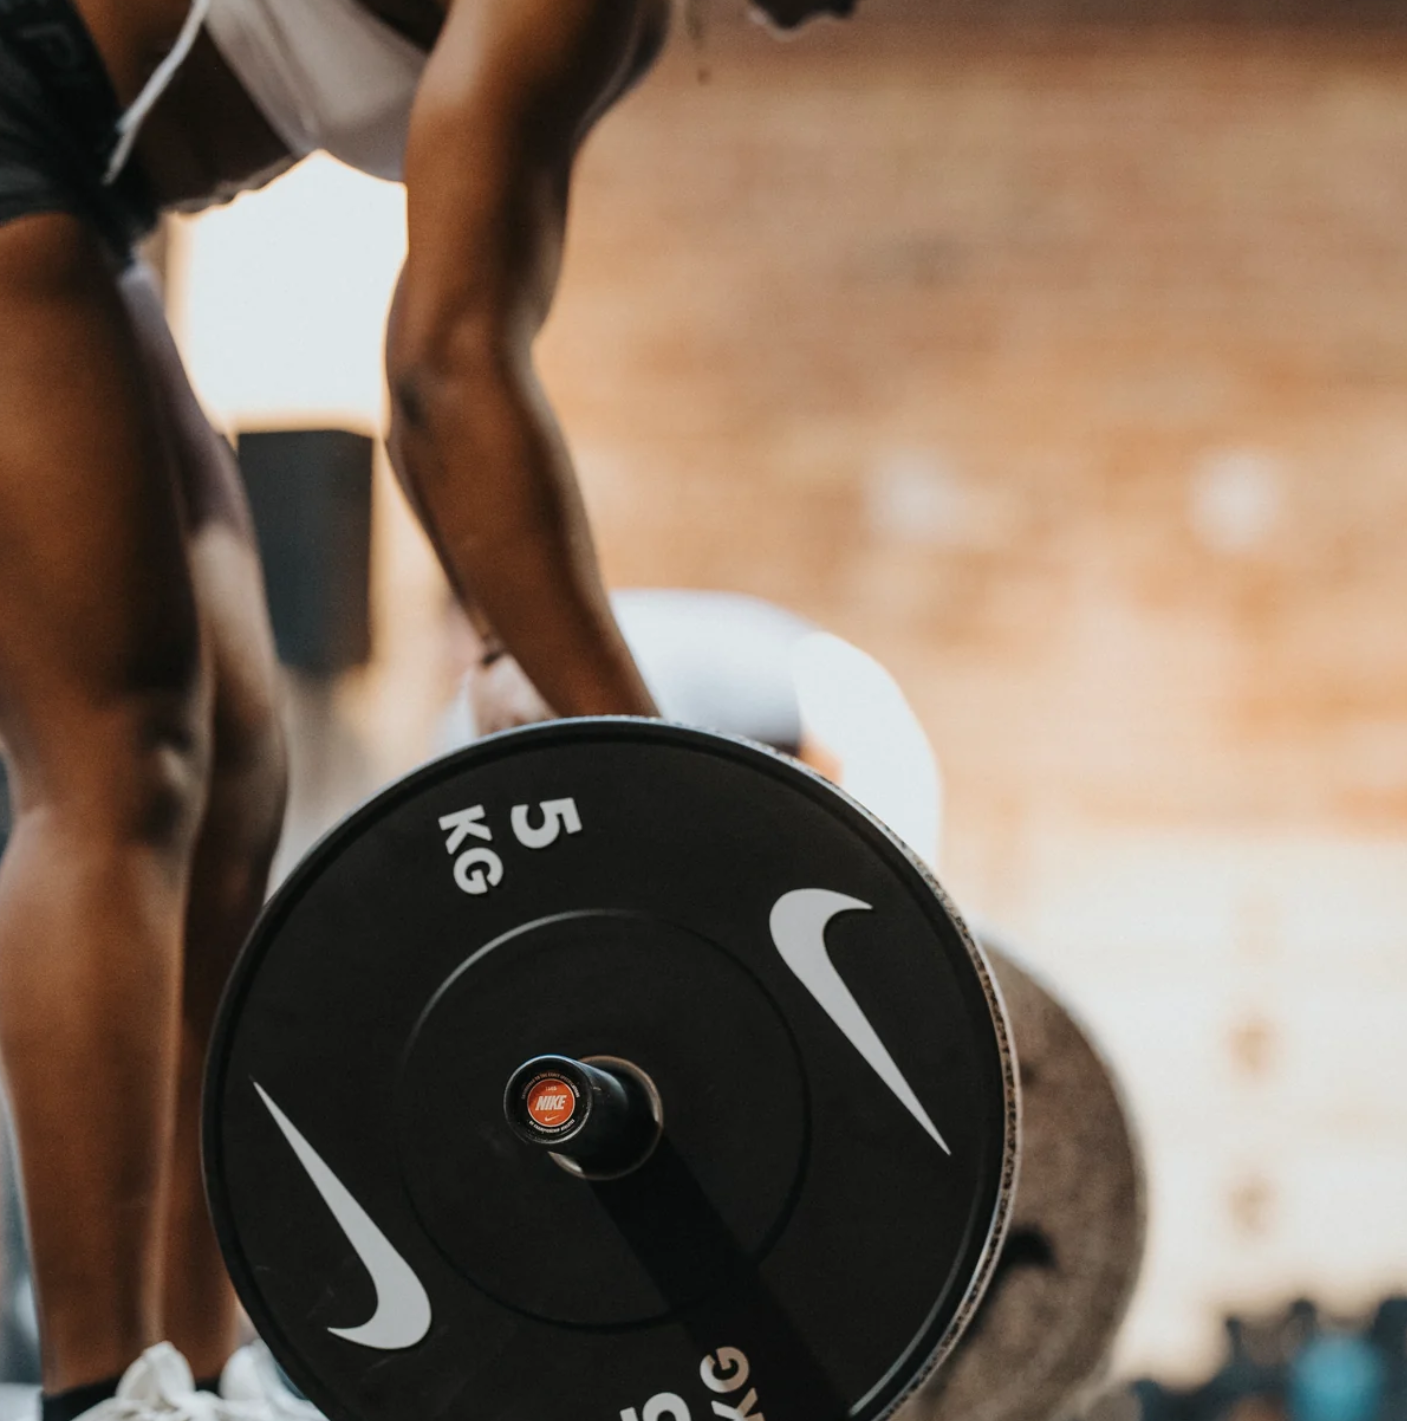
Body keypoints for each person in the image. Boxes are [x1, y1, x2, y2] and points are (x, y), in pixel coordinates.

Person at [0, 0, 857, 1418]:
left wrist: (511, 647)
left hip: (90, 193)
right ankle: (99, 1392)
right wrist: (667, 792)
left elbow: (466, 366)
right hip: (26, 113)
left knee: (239, 776)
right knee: (125, 759)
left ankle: (195, 1373)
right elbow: (443, 378)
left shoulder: (621, 27)